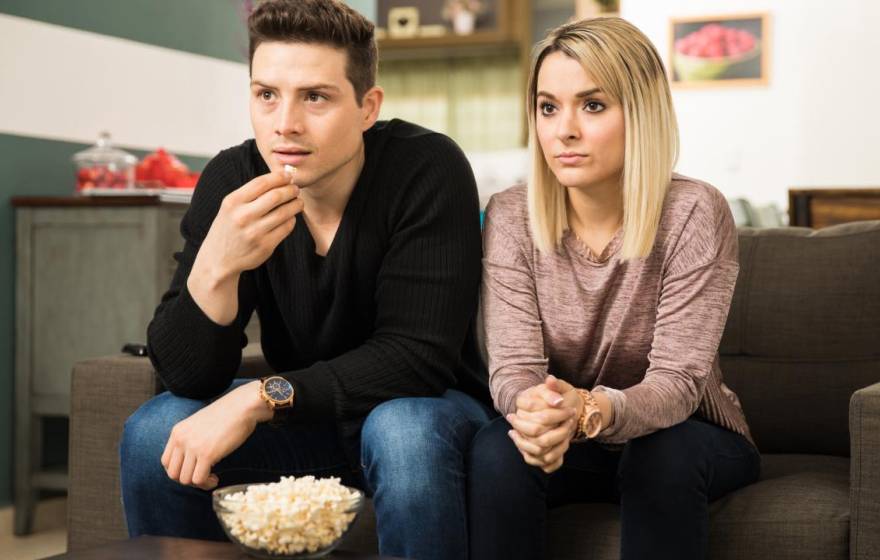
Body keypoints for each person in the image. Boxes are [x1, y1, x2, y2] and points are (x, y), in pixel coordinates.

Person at [118, 1, 492, 559]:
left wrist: (260, 398)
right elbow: (185, 376)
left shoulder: (426, 168)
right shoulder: (233, 178)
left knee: (403, 430)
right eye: (266, 94)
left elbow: (417, 358)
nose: (284, 123)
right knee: (154, 431)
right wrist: (217, 266)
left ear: (367, 107)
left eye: (315, 97)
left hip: (428, 413)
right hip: (308, 421)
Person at [468, 17, 760, 560]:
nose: (564, 130)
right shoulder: (510, 215)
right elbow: (513, 370)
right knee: (496, 448)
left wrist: (591, 409)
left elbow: (678, 382)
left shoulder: (694, 211)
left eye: (593, 105)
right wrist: (539, 412)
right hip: (571, 441)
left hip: (686, 434)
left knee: (661, 453)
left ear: (641, 114)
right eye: (548, 107)